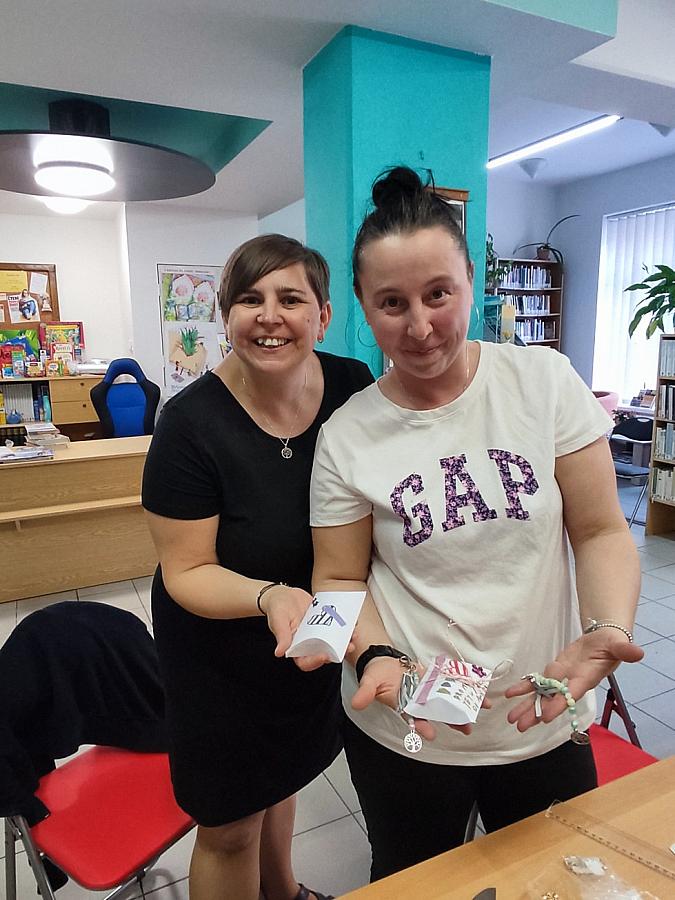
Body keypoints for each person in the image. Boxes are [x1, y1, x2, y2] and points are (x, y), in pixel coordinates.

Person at [308, 167, 644, 881]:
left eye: (438, 294)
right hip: (406, 723)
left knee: (558, 882)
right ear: (363, 308)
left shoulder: (542, 383)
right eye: (391, 303)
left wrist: (605, 628)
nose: (419, 326)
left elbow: (599, 531)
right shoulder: (347, 434)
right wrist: (373, 655)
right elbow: (336, 576)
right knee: (416, 881)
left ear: (471, 282)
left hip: (542, 709)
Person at [142, 234, 373, 900]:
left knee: (283, 779)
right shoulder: (189, 424)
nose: (269, 316)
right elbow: (186, 570)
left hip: (307, 631)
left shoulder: (352, 386)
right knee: (230, 826)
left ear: (323, 315)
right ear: (226, 316)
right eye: (249, 299)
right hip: (218, 650)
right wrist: (270, 596)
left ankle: (284, 891)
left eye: (290, 299)